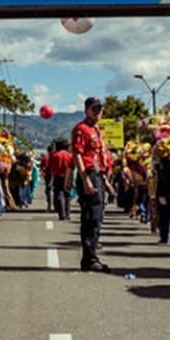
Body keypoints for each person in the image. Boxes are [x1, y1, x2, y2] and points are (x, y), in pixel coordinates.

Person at [72, 97, 114, 272]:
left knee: (97, 219)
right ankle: (89, 259)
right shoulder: (81, 129)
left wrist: (106, 182)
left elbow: (100, 158)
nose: (97, 112)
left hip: (98, 176)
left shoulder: (97, 130)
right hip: (89, 176)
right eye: (93, 109)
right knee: (90, 219)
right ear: (86, 110)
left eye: (99, 109)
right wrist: (85, 179)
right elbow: (77, 154)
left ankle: (92, 256)